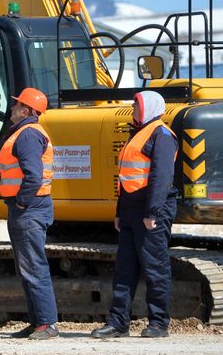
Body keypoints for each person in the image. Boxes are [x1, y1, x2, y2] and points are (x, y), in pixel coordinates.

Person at [91, 90, 178, 339]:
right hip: (131, 210)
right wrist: (120, 212)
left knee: (155, 268)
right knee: (124, 269)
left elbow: (160, 179)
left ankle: (159, 323)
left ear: (150, 108)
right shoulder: (137, 134)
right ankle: (118, 323)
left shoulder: (161, 135)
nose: (134, 111)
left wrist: (152, 212)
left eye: (137, 106)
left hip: (150, 212)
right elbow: (126, 178)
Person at [0, 87, 59, 340]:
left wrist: (21, 203)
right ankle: (37, 322)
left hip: (29, 208)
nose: (12, 108)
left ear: (26, 110)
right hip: (31, 207)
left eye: (16, 105)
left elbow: (33, 176)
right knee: (28, 266)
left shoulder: (27, 135)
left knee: (33, 266)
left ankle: (47, 323)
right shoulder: (27, 132)